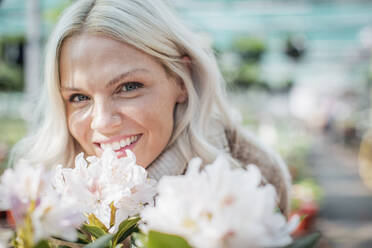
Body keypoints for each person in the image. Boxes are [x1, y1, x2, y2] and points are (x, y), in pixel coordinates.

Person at [11, 0, 291, 216]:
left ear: (181, 80)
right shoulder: (45, 194)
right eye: (78, 97)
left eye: (128, 87)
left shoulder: (252, 176)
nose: (103, 122)